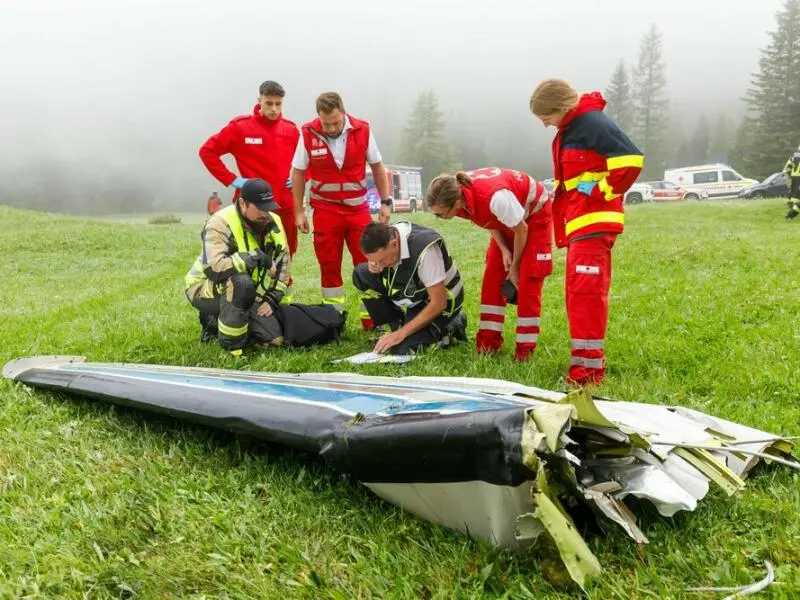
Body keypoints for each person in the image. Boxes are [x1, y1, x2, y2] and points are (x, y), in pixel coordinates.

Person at [530, 78, 643, 385]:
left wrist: (601, 189)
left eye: (546, 117)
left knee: (586, 296)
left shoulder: (592, 123)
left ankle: (588, 373)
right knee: (577, 295)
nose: (544, 124)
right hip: (580, 223)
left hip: (595, 222)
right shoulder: (573, 127)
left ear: (561, 108)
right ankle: (584, 367)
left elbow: (632, 160)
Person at [426, 167, 553, 361]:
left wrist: (516, 267)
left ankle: (525, 352)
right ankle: (488, 345)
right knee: (492, 279)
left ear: (456, 203)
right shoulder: (459, 196)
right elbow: (488, 221)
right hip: (509, 219)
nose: (441, 219)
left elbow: (521, 229)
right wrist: (503, 249)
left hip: (533, 217)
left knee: (526, 282)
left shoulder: (495, 198)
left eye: (442, 214)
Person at [290, 92, 392, 328]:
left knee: (369, 263)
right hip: (325, 211)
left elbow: (377, 167)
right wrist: (298, 211)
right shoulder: (307, 133)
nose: (331, 128)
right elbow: (298, 172)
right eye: (326, 123)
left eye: (336, 122)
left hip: (358, 211)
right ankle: (333, 320)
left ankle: (373, 320)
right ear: (319, 117)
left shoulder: (363, 130)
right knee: (329, 264)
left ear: (343, 113)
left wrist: (385, 201)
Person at [198, 81, 299, 299]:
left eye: (278, 104)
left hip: (284, 207)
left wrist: (300, 178)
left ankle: (282, 307)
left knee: (285, 258)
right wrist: (233, 180)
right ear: (259, 100)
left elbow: (306, 162)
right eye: (269, 103)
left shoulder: (291, 130)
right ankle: (244, 303)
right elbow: (207, 151)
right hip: (251, 208)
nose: (274, 109)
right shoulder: (241, 127)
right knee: (248, 256)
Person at [184, 178, 290, 354]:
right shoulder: (219, 222)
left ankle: (229, 319)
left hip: (247, 292)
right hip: (204, 288)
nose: (267, 213)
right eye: (261, 208)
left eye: (269, 207)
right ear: (242, 203)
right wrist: (258, 257)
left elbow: (284, 266)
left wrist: (273, 298)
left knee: (273, 339)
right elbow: (215, 269)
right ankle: (231, 345)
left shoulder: (274, 221)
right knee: (241, 283)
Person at [353, 221, 467, 355]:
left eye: (382, 260)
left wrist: (402, 334)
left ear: (394, 244)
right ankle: (395, 327)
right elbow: (381, 263)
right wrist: (373, 265)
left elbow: (439, 303)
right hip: (415, 294)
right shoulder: (388, 236)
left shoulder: (426, 251)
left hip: (440, 302)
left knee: (402, 350)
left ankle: (452, 324)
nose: (381, 266)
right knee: (361, 273)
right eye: (374, 261)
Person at [782, 144, 800, 220]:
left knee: (794, 198)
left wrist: (788, 180)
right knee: (795, 199)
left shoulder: (793, 157)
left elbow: (786, 170)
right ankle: (791, 214)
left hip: (794, 179)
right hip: (796, 180)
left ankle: (790, 214)